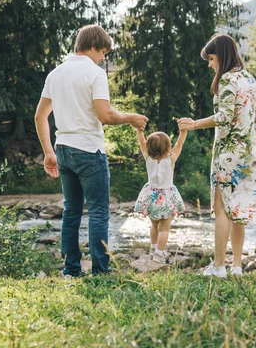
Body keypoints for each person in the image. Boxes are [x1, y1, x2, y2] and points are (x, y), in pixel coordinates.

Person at [35, 24, 148, 278]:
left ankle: (70, 270)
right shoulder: (95, 74)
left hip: (62, 150)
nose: (103, 58)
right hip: (88, 150)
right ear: (94, 46)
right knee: (98, 211)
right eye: (103, 52)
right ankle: (101, 271)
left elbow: (40, 116)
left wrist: (48, 152)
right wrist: (130, 117)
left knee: (71, 211)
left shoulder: (55, 74)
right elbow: (105, 116)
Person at [178, 33, 256, 278]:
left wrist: (194, 124)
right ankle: (237, 267)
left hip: (228, 155)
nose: (210, 64)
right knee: (239, 211)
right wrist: (254, 153)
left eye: (211, 59)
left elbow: (224, 117)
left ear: (221, 55)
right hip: (250, 155)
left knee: (222, 211)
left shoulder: (227, 80)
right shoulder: (250, 79)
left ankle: (219, 266)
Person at [134, 128, 187, 263]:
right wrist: (183, 131)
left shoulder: (148, 158)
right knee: (164, 229)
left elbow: (141, 142)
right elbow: (179, 144)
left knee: (154, 226)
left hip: (151, 197)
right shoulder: (170, 159)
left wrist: (139, 130)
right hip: (166, 198)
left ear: (149, 147)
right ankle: (159, 253)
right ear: (168, 147)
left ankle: (153, 248)